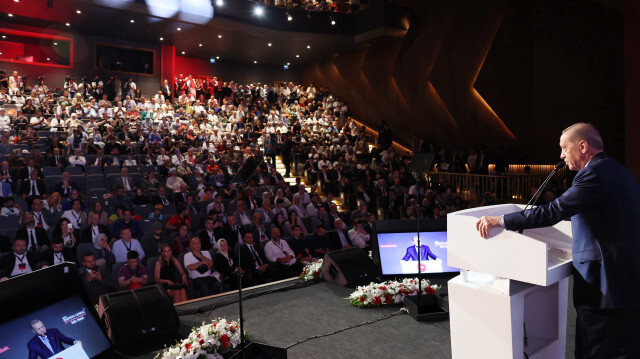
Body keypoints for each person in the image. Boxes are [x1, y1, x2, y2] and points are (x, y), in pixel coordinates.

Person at [476, 123, 640, 358]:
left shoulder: (592, 175)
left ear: (582, 146)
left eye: (564, 148)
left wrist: (501, 221)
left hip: (603, 289)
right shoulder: (620, 171)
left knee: (594, 352)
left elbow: (553, 211)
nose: (561, 156)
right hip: (627, 286)